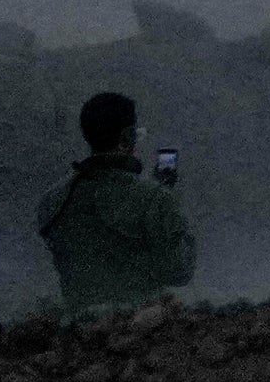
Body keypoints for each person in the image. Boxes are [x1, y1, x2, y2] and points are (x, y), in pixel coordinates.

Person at [36, 92, 194, 315]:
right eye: (136, 135)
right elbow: (179, 271)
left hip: (78, 327)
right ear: (127, 138)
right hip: (136, 329)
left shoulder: (53, 199)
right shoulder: (155, 199)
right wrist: (164, 199)